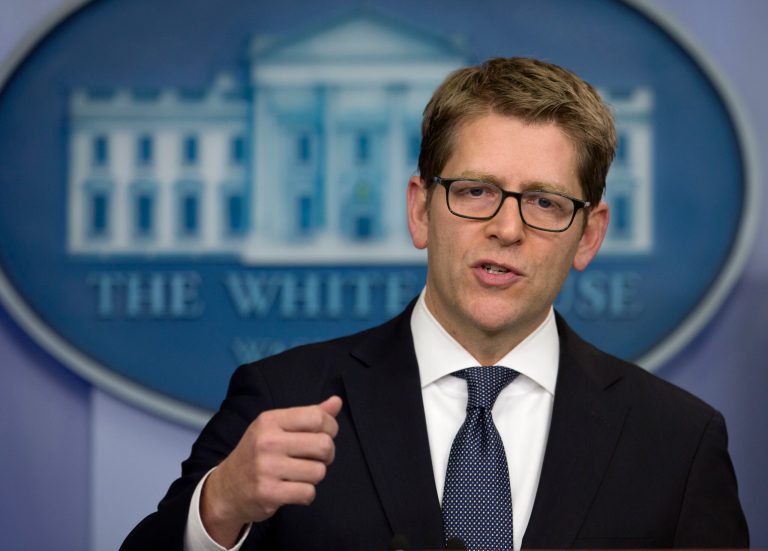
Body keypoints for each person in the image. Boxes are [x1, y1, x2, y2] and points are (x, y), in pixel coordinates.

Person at [122, 57, 749, 551]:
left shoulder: (677, 442)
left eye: (545, 202)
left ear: (589, 235)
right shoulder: (285, 397)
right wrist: (221, 506)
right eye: (475, 191)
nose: (507, 228)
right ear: (421, 210)